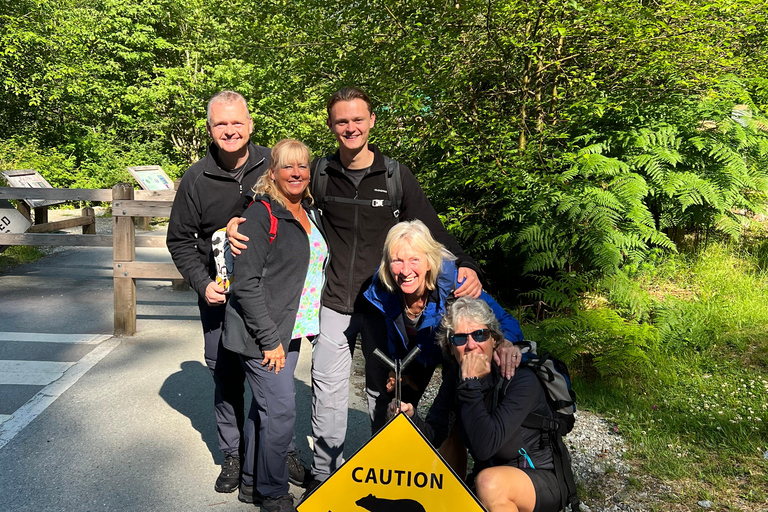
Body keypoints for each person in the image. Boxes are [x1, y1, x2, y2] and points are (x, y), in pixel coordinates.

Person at [228, 86, 487, 492]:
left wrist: (467, 263)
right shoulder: (321, 173)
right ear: (332, 126)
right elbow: (274, 193)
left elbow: (432, 232)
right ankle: (324, 474)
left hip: (383, 306)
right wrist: (237, 219)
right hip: (333, 303)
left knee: (382, 391)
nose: (350, 127)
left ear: (371, 122)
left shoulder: (395, 176)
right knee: (328, 392)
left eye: (357, 119)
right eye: (341, 121)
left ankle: (383, 470)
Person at [166, 92, 305, 496]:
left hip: (269, 298)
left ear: (250, 125)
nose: (230, 131)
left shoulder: (271, 163)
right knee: (226, 377)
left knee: (275, 378)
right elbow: (179, 241)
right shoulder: (196, 178)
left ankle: (282, 450)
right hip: (220, 297)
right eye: (221, 125)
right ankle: (233, 453)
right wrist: (201, 282)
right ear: (210, 129)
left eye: (237, 123)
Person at [364, 219, 523, 476]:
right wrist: (397, 366)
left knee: (453, 427)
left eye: (414, 260)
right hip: (418, 356)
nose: (405, 270)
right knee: (397, 415)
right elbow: (393, 330)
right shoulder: (384, 288)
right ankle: (397, 477)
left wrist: (506, 342)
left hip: (456, 355)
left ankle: (454, 489)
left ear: (429, 260)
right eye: (397, 260)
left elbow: (505, 322)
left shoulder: (457, 285)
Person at [222, 139, 328, 512]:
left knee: (264, 410)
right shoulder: (261, 214)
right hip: (263, 335)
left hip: (291, 327)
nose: (296, 173)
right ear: (273, 173)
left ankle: (252, 485)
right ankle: (273, 493)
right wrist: (270, 340)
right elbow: (246, 284)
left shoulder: (308, 212)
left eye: (302, 166)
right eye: (287, 166)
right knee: (281, 411)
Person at [395, 297, 566, 512]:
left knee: (489, 483)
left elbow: (485, 446)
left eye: (479, 335)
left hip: (539, 476)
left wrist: (470, 384)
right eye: (459, 338)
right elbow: (435, 434)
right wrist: (411, 418)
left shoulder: (520, 379)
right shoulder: (456, 378)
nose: (471, 345)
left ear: (494, 339)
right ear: (450, 347)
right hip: (489, 475)